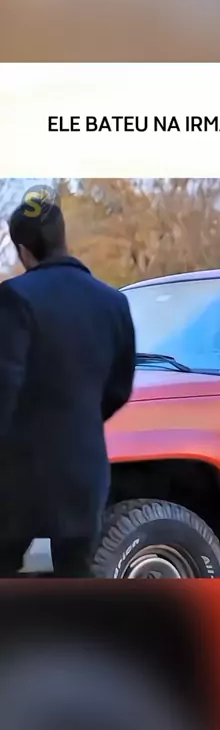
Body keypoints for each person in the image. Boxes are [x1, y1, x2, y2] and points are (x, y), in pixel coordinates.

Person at [0, 198, 136, 576]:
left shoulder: (14, 298)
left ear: (23, 250)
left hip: (18, 477)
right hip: (84, 472)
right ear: (62, 237)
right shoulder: (114, 302)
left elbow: (4, 387)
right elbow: (119, 388)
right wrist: (79, 421)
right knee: (75, 580)